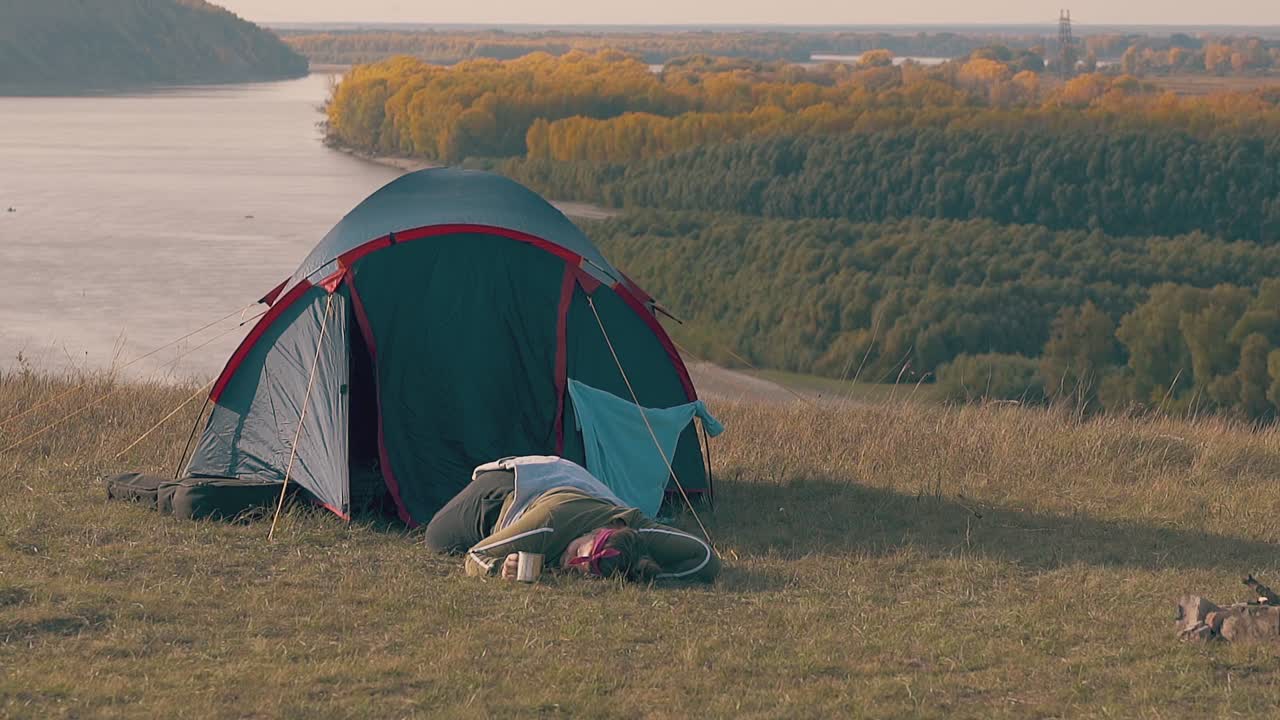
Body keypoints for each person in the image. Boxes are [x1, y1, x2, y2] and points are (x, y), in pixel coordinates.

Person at [423, 456, 719, 583]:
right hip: (507, 487)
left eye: (582, 569)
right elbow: (476, 555)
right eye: (578, 552)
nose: (570, 563)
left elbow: (705, 559)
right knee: (437, 538)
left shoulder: (634, 534)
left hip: (570, 479)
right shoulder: (549, 524)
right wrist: (500, 568)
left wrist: (647, 578)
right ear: (601, 528)